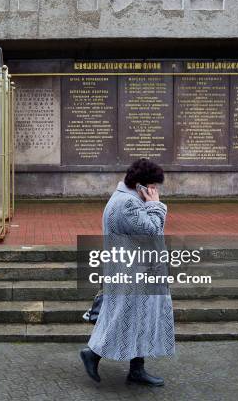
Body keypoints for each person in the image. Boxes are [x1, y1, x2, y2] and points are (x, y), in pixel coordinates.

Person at [80, 158, 175, 387]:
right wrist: (157, 205)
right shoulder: (127, 204)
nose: (155, 191)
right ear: (140, 185)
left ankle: (136, 370)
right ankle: (92, 353)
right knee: (123, 319)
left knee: (137, 322)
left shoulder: (126, 199)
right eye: (152, 186)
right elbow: (152, 232)